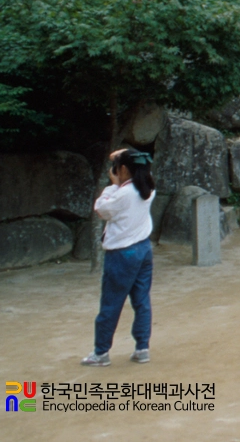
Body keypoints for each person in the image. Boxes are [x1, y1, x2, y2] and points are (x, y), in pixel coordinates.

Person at [82, 148, 156, 367]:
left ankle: (101, 353)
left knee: (111, 304)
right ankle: (142, 348)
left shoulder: (121, 193)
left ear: (123, 169)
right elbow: (130, 161)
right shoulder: (148, 188)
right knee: (141, 301)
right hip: (143, 250)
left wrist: (112, 185)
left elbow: (101, 209)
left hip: (122, 254)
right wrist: (120, 158)